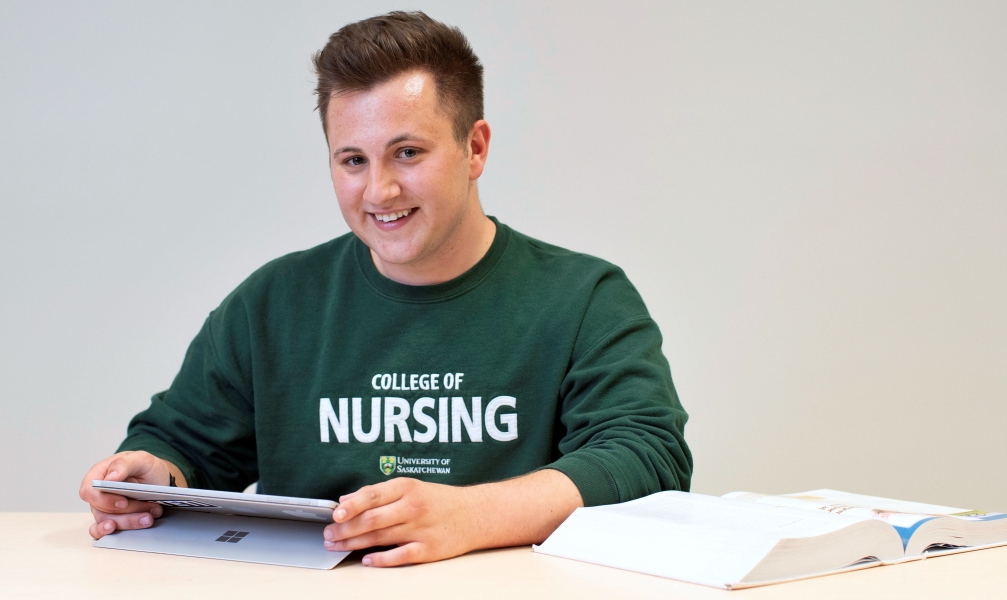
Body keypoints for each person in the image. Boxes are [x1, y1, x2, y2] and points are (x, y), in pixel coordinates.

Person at [79, 10, 692, 568]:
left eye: (406, 152)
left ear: (474, 148)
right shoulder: (272, 303)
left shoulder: (585, 298)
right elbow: (181, 444)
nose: (379, 191)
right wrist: (147, 474)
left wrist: (469, 515)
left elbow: (646, 457)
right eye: (353, 160)